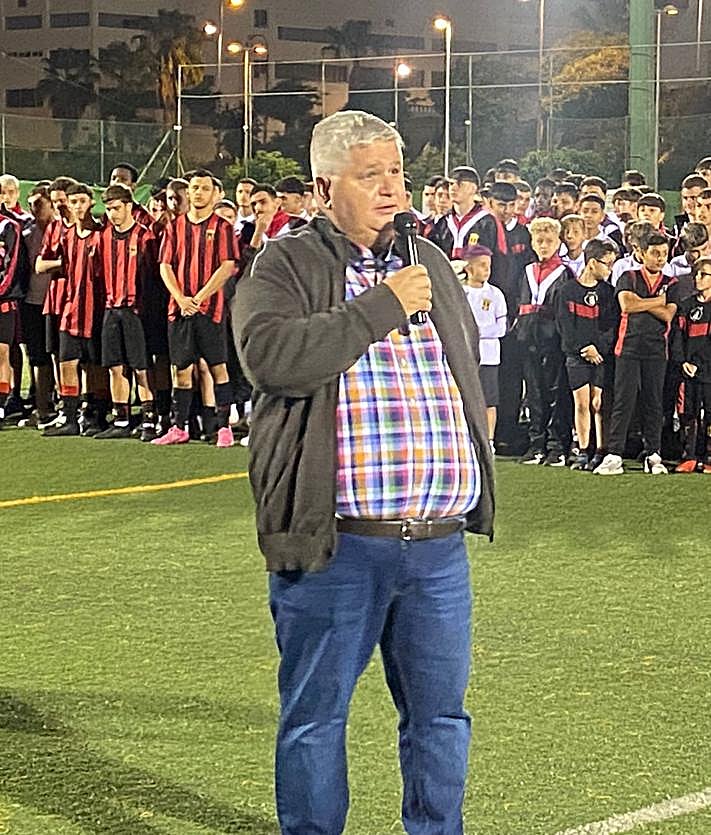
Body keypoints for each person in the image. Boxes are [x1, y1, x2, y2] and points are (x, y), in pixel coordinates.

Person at [231, 110, 494, 835]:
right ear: (323, 186)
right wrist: (380, 305)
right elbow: (272, 358)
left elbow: (465, 366)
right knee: (316, 719)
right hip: (334, 544)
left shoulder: (428, 262)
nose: (390, 189)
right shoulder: (285, 263)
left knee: (440, 718)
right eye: (369, 174)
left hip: (437, 546)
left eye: (397, 173)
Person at [153, 168, 235, 448]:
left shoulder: (222, 227)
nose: (198, 192)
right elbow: (165, 265)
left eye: (204, 188)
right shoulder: (174, 227)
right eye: (194, 187)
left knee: (217, 367)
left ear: (215, 194)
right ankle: (179, 427)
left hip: (209, 309)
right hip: (180, 310)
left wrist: (199, 297)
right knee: (182, 369)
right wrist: (180, 298)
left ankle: (223, 428)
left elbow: (227, 266)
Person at [594, 232, 679, 475]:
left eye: (664, 253)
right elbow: (626, 306)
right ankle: (614, 454)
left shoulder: (671, 284)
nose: (660, 258)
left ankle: (654, 453)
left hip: (656, 350)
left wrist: (643, 302)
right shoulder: (628, 276)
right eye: (655, 253)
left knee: (654, 402)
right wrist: (657, 301)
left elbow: (668, 315)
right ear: (641, 254)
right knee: (623, 401)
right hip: (628, 347)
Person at [93, 184, 156, 440]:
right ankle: (121, 420)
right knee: (115, 367)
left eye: (116, 208)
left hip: (135, 311)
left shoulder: (144, 236)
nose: (112, 214)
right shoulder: (104, 236)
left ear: (130, 206)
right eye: (108, 209)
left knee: (141, 366)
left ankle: (149, 420)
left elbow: (152, 278)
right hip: (111, 308)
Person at [514, 216, 573, 465]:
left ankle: (556, 445)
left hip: (553, 340)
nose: (544, 245)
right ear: (532, 242)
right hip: (528, 338)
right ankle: (536, 444)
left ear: (558, 242)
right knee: (534, 393)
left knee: (555, 392)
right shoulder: (526, 270)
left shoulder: (565, 273)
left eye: (549, 241)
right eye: (539, 241)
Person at [555, 239, 618, 470]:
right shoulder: (567, 291)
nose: (609, 269)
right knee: (581, 403)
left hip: (601, 356)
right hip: (576, 356)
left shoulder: (608, 293)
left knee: (598, 403)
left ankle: (601, 449)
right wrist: (583, 349)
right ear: (592, 263)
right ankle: (583, 449)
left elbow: (612, 326)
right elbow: (565, 327)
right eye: (607, 264)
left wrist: (598, 348)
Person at [461, 244, 507, 452]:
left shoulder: (495, 294)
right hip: (466, 356)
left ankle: (489, 441)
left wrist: (478, 331)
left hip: (489, 356)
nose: (487, 270)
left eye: (488, 265)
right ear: (469, 268)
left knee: (489, 400)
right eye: (481, 266)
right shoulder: (460, 293)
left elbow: (501, 327)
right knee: (466, 398)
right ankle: (466, 437)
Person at [671, 256, 711, 472]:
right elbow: (677, 336)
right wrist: (682, 361)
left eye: (703, 274)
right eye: (696, 274)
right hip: (688, 372)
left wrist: (699, 363)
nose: (697, 278)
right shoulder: (687, 305)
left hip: (707, 371)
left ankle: (709, 457)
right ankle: (690, 456)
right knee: (688, 413)